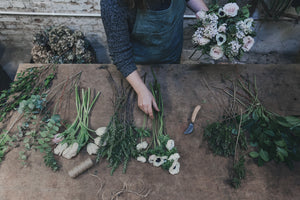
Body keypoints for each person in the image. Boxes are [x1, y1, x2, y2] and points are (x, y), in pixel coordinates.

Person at [101, 0, 208, 118]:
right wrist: (141, 90)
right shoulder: (113, 3)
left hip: (172, 56)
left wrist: (207, 16)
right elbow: (120, 52)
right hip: (137, 68)